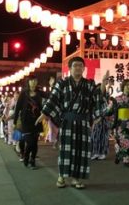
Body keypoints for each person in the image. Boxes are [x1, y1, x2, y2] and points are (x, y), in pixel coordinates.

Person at [35, 56, 108, 189]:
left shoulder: (90, 84)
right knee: (66, 150)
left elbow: (97, 97)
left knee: (81, 151)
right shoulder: (62, 84)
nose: (78, 68)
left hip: (83, 122)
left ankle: (76, 178)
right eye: (75, 65)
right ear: (69, 68)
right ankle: (61, 176)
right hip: (68, 121)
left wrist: (103, 83)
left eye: (80, 65)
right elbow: (53, 99)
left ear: (84, 68)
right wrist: (44, 114)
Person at [13, 75, 45, 169]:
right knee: (30, 142)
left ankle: (32, 161)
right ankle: (26, 156)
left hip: (36, 120)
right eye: (31, 81)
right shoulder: (24, 93)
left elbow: (50, 95)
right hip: (26, 121)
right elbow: (18, 107)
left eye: (35, 80)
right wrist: (15, 120)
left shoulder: (39, 92)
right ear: (28, 82)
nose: (33, 82)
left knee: (34, 143)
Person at [113, 79, 129, 167]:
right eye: (126, 85)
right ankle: (118, 154)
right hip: (120, 123)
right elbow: (111, 110)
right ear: (123, 86)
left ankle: (126, 160)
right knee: (118, 140)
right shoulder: (117, 99)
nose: (128, 87)